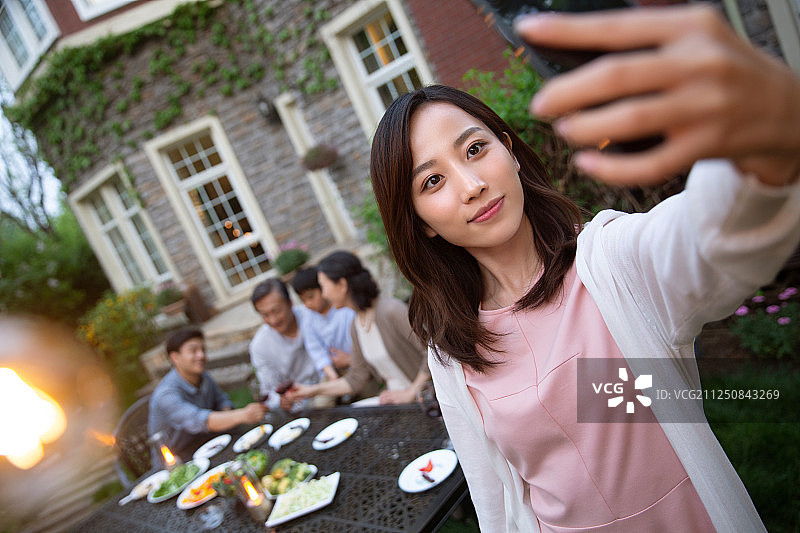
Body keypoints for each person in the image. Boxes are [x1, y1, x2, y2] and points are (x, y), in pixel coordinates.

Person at [368, 6, 800, 532]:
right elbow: (496, 500)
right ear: (422, 222)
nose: (471, 184)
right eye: (432, 182)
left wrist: (764, 141)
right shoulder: (451, 349)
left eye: (475, 149)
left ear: (510, 150)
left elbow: (716, 238)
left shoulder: (611, 264)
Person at [288, 251, 431, 405]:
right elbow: (356, 378)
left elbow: (431, 353)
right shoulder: (357, 325)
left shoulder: (390, 310)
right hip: (399, 403)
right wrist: (312, 390)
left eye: (324, 287)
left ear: (342, 285)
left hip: (428, 399)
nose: (324, 294)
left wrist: (412, 391)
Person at [148, 328, 267, 461]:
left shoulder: (202, 376)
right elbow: (198, 420)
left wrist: (225, 417)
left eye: (203, 350)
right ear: (175, 357)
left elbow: (222, 400)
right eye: (193, 351)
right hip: (179, 461)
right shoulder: (166, 394)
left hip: (209, 444)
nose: (201, 355)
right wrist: (243, 415)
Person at [249, 277, 323, 411]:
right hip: (301, 406)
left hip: (331, 386)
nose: (273, 320)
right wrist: (281, 401)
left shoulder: (312, 316)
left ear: (290, 303)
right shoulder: (259, 345)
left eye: (277, 311)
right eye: (265, 315)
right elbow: (269, 389)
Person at [290, 266, 354, 377]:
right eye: (303, 300)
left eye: (311, 297)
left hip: (357, 363)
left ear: (323, 289)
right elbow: (316, 350)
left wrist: (350, 359)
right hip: (333, 371)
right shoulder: (308, 321)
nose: (307, 304)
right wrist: (333, 376)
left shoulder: (344, 310)